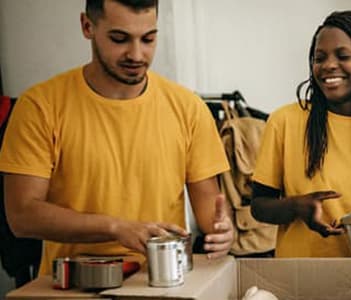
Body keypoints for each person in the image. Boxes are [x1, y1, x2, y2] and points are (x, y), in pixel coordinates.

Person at [0, 0, 234, 276]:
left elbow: (212, 212)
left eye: (148, 39)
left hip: (159, 282)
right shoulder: (40, 106)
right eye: (119, 38)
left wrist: (222, 231)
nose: (137, 54)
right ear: (87, 26)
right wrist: (115, 228)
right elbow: (22, 215)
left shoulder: (188, 107)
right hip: (70, 285)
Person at [249, 10, 351, 259]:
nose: (328, 65)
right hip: (301, 280)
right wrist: (296, 207)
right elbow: (259, 206)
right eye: (319, 58)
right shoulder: (285, 121)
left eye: (343, 56)